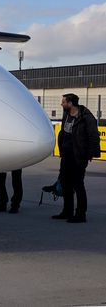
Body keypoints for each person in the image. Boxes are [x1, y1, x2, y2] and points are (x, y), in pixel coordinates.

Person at [52, 93, 100, 223]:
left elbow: (93, 135)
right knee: (66, 184)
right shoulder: (66, 114)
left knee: (78, 184)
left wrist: (91, 153)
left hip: (78, 156)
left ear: (70, 103)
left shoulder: (86, 117)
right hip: (66, 155)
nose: (61, 104)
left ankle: (80, 214)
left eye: (63, 102)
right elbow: (64, 132)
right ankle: (67, 211)